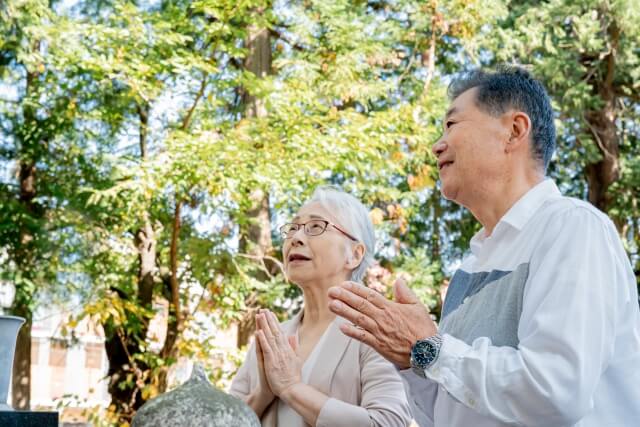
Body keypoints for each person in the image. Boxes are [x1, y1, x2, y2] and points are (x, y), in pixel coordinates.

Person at [327, 66, 640, 426]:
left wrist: (429, 349)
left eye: (452, 125)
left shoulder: (572, 228)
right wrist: (410, 361)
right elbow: (450, 412)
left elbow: (556, 391)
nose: (436, 146)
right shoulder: (469, 269)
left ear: (514, 130)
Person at [229, 187, 412, 427]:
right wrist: (263, 393)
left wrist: (291, 389)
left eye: (316, 227)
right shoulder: (271, 338)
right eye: (293, 228)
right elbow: (226, 420)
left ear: (354, 255)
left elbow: (386, 423)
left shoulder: (376, 334)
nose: (296, 238)